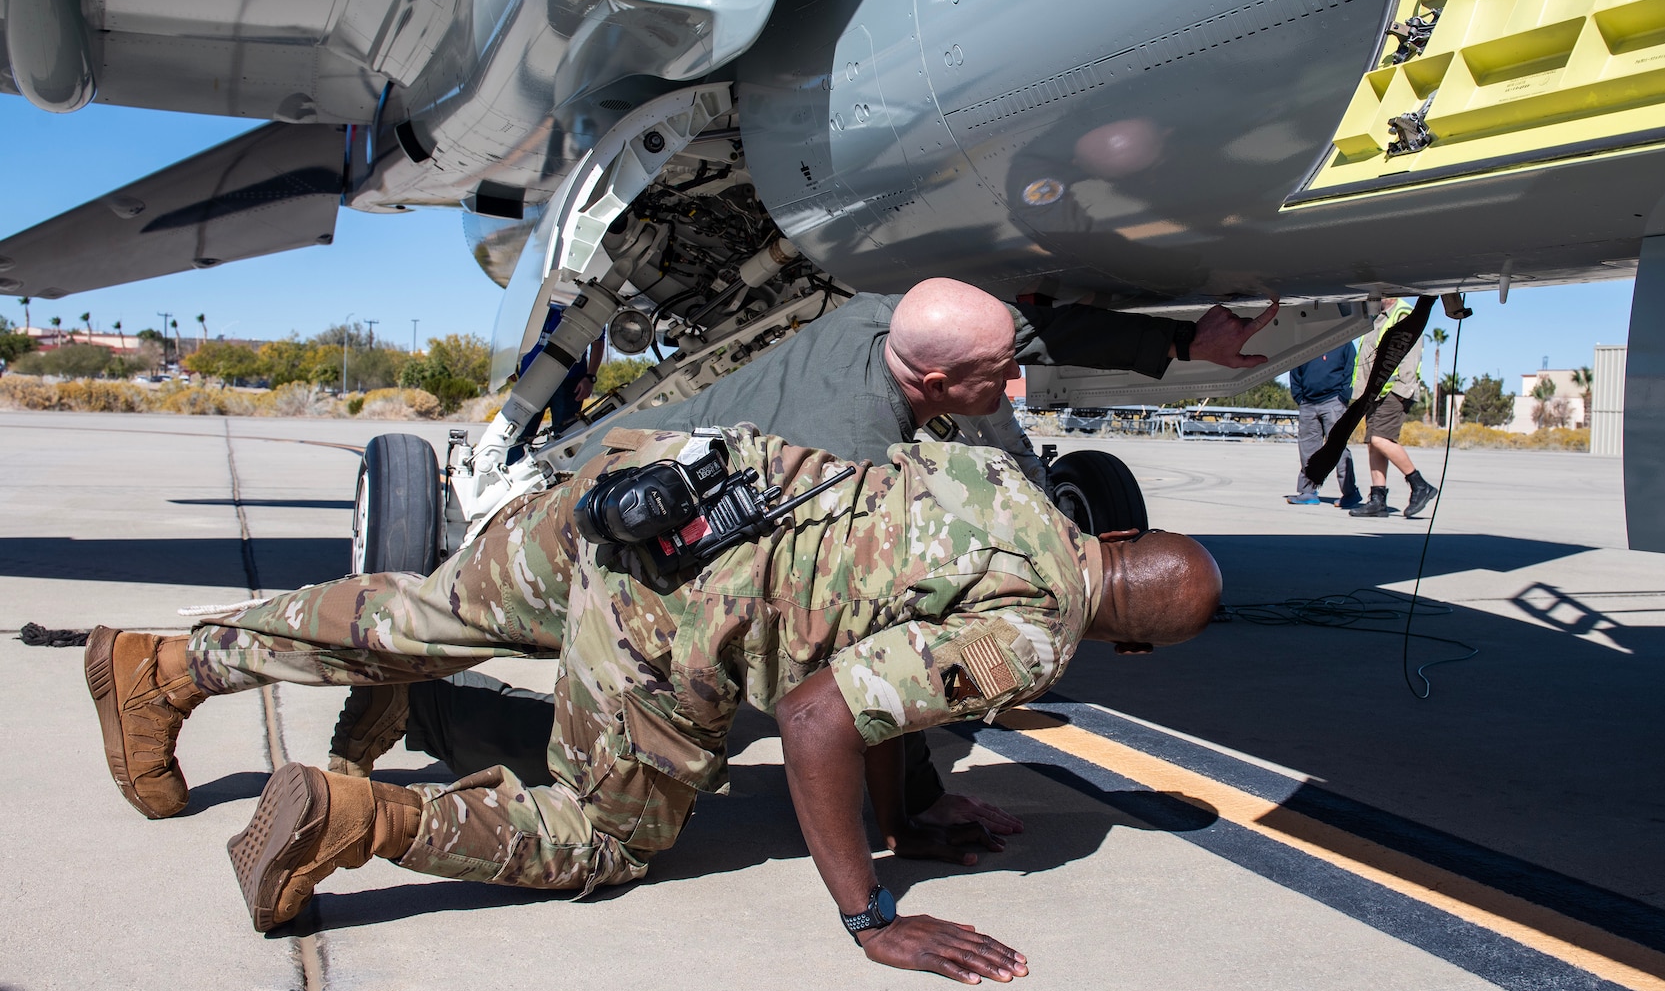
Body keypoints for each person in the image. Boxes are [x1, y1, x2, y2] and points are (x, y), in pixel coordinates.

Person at [84, 426, 1221, 983]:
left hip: (653, 488)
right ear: (1123, 635)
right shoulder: (1029, 635)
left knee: (421, 613)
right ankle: (355, 816)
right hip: (670, 609)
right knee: (603, 837)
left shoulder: (1008, 483)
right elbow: (827, 714)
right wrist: (871, 912)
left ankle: (169, 669)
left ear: (1116, 536)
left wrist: (902, 811)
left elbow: (887, 669)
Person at [327, 279, 1275, 835]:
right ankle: (434, 714)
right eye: (994, 381)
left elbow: (1018, 328)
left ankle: (360, 667)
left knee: (437, 614)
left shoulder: (880, 318)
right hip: (639, 540)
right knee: (636, 795)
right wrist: (892, 858)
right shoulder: (854, 454)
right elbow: (845, 683)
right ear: (937, 383)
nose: (1016, 384)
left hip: (628, 486)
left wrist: (1185, 340)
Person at [1348, 298, 1438, 519]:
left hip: (1393, 390)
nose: (1369, 297)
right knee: (1373, 444)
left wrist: (1402, 389)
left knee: (1380, 439)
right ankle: (1378, 499)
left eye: (1374, 293)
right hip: (1374, 392)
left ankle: (1419, 484)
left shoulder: (1403, 315)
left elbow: (1410, 356)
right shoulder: (1376, 318)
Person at [1284, 343, 1361, 507]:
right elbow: (1294, 370)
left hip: (1334, 401)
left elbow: (1350, 370)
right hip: (1308, 403)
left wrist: (1343, 396)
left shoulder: (1344, 342)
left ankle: (1350, 493)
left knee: (1338, 449)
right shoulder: (1305, 343)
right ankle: (1308, 492)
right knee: (1307, 449)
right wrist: (1299, 397)